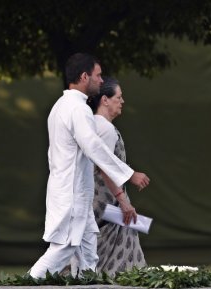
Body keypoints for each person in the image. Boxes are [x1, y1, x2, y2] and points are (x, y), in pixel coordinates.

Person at [28, 53, 150, 279]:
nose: (101, 81)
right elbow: (93, 146)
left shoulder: (61, 106)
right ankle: (25, 284)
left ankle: (86, 282)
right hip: (73, 194)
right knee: (64, 249)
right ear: (84, 77)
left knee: (88, 255)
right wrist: (129, 174)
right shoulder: (77, 109)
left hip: (75, 193)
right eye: (98, 75)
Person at [86, 77, 146, 276]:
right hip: (105, 205)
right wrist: (123, 201)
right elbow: (105, 167)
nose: (122, 101)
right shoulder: (105, 129)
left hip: (99, 203)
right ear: (105, 99)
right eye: (118, 97)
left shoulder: (93, 124)